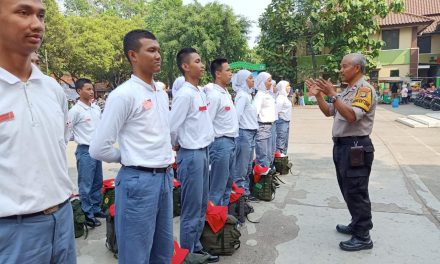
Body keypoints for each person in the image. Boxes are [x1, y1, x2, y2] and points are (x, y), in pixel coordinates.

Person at [0, 0, 76, 263]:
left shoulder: (52, 89)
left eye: (41, 15)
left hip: (62, 219)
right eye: (23, 12)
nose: (36, 24)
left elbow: (59, 144)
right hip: (13, 233)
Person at [89, 29, 174, 263]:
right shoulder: (123, 95)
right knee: (136, 254)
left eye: (158, 50)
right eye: (151, 50)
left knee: (163, 251)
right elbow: (98, 148)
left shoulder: (159, 92)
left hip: (165, 177)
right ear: (133, 55)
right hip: (139, 181)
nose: (158, 55)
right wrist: (126, 156)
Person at [306, 53, 376, 252]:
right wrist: (319, 95)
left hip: (356, 147)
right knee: (348, 189)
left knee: (357, 190)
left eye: (344, 66)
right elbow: (329, 111)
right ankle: (356, 223)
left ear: (357, 68)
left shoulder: (364, 90)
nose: (341, 70)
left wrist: (333, 95)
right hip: (343, 146)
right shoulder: (347, 92)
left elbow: (352, 116)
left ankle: (363, 235)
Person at [170, 48, 218, 263]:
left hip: (203, 152)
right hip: (191, 155)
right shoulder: (185, 94)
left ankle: (195, 248)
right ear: (185, 66)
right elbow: (172, 128)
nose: (201, 65)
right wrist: (178, 145)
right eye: (197, 61)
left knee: (200, 205)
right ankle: (188, 254)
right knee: (191, 209)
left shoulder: (198, 91)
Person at [68, 78, 105, 228]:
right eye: (88, 89)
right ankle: (87, 214)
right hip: (85, 150)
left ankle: (96, 209)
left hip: (97, 150)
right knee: (86, 185)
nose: (91, 92)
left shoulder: (95, 108)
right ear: (79, 91)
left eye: (92, 89)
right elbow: (67, 131)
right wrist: (78, 138)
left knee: (97, 182)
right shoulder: (75, 111)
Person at [205, 58, 239, 206]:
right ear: (218, 74)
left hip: (231, 142)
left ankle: (222, 218)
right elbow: (207, 122)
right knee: (217, 187)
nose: (231, 74)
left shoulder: (225, 93)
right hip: (220, 144)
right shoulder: (213, 95)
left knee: (227, 184)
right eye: (228, 70)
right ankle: (212, 223)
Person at [231, 70, 259, 201]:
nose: (253, 80)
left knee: (247, 166)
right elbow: (237, 116)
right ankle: (240, 195)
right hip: (244, 133)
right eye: (250, 78)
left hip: (250, 133)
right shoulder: (242, 96)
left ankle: (245, 193)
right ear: (243, 80)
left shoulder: (248, 95)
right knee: (241, 167)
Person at [253, 72, 276, 173]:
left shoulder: (267, 94)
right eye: (269, 80)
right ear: (262, 81)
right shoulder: (260, 95)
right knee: (263, 156)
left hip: (269, 127)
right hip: (262, 127)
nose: (270, 83)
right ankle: (262, 184)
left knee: (269, 154)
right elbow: (255, 112)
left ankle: (267, 179)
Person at [275, 81, 292, 155]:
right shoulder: (280, 98)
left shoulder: (285, 97)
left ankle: (283, 160)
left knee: (285, 143)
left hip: (286, 122)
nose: (289, 87)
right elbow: (276, 111)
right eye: (287, 86)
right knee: (280, 143)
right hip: (281, 122)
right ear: (283, 87)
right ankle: (278, 160)